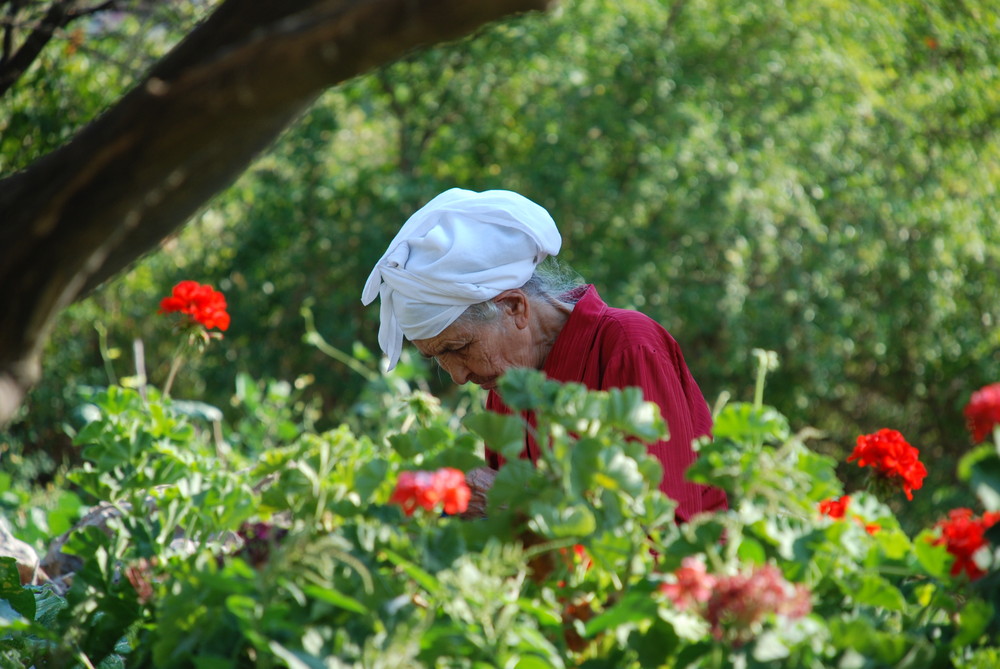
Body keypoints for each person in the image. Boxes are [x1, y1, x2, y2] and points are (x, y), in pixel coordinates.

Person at [361, 188, 727, 522]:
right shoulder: (507, 384)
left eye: (459, 348)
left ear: (514, 307)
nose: (458, 376)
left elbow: (662, 530)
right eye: (438, 357)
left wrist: (516, 505)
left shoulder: (628, 344)